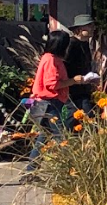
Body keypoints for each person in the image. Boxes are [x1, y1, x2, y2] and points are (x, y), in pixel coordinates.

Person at [27, 29, 73, 157]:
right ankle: (69, 162)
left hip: (48, 102)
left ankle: (32, 167)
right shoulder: (51, 60)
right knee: (60, 135)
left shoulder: (49, 58)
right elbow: (52, 84)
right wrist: (73, 81)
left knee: (44, 136)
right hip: (49, 103)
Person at [63, 14, 99, 111]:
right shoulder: (71, 44)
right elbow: (64, 66)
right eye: (89, 26)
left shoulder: (85, 43)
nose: (93, 28)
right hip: (72, 90)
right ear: (80, 29)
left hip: (83, 89)